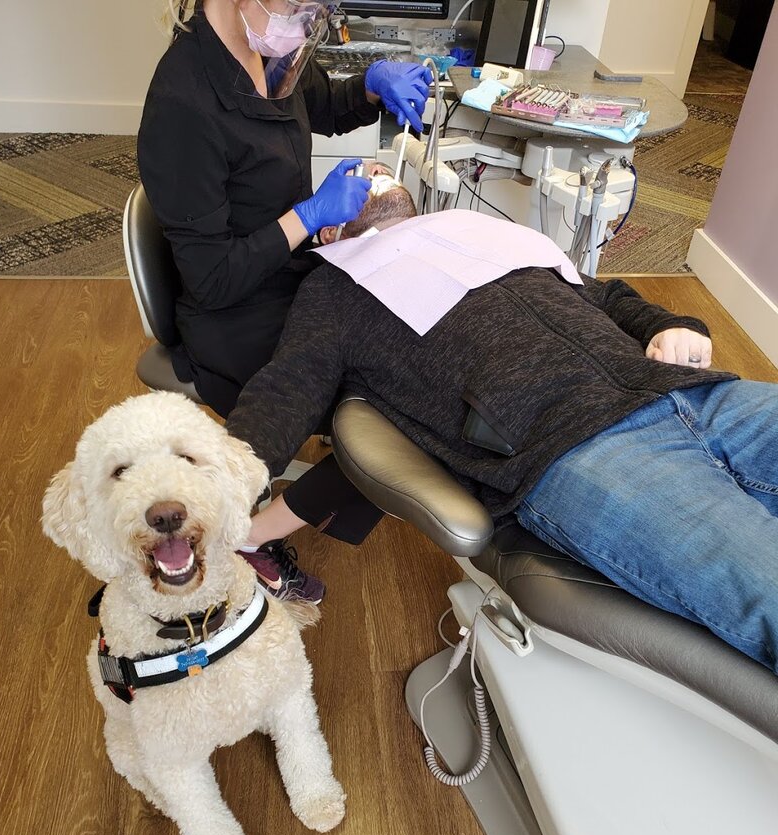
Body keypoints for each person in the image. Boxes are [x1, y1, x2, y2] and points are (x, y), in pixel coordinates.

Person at [225, 182, 778, 674]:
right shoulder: (336, 287)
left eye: (374, 169)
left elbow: (605, 296)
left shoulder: (489, 234)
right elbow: (287, 387)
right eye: (356, 179)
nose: (371, 173)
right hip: (578, 447)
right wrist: (217, 486)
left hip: (697, 395)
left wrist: (674, 324)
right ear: (329, 230)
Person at [137, 0, 432, 601]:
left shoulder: (269, 50)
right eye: (300, 6)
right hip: (234, 314)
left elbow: (318, 103)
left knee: (419, 338)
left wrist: (372, 88)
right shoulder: (181, 104)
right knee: (403, 402)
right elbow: (212, 278)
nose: (307, 20)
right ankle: (245, 535)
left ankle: (309, 495)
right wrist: (307, 217)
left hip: (291, 278)